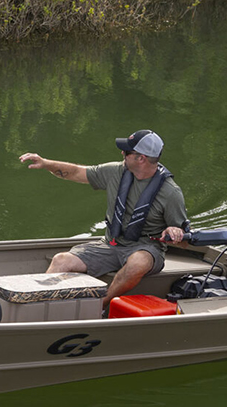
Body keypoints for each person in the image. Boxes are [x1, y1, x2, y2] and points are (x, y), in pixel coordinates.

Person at [18, 129, 190, 312]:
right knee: (61, 260)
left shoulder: (171, 192)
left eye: (127, 151)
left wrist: (174, 232)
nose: (122, 153)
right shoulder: (115, 171)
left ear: (141, 158)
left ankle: (98, 306)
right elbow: (76, 172)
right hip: (110, 244)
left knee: (137, 262)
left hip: (146, 249)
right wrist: (45, 163)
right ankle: (31, 307)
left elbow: (185, 242)